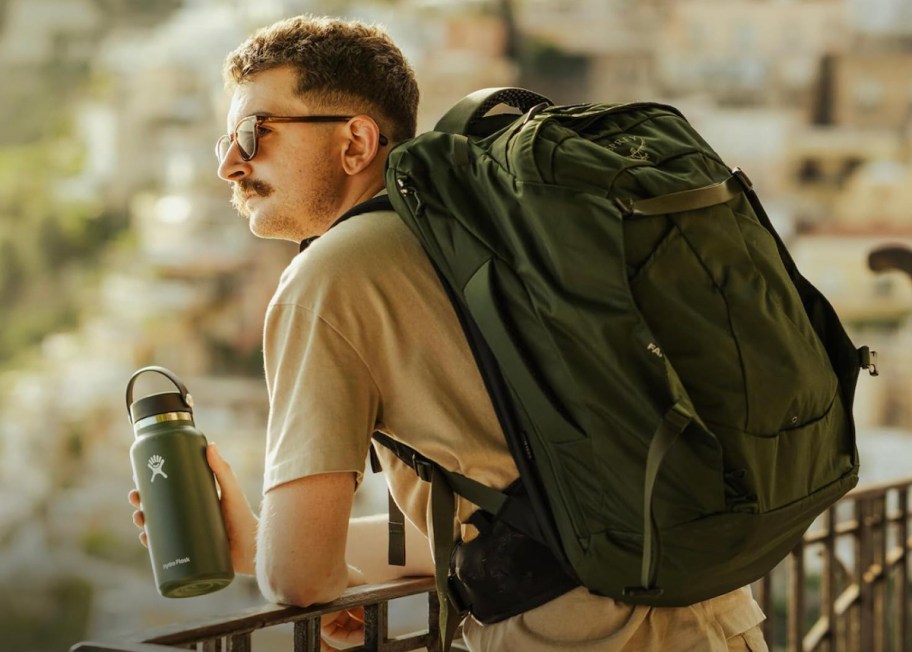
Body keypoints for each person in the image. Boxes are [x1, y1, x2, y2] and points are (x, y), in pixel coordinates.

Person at [130, 15, 769, 651]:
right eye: (227, 141)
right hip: (710, 618)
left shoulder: (326, 277)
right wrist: (257, 541)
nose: (231, 167)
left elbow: (299, 578)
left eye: (255, 132)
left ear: (355, 142)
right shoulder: (472, 234)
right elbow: (495, 513)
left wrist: (283, 557)